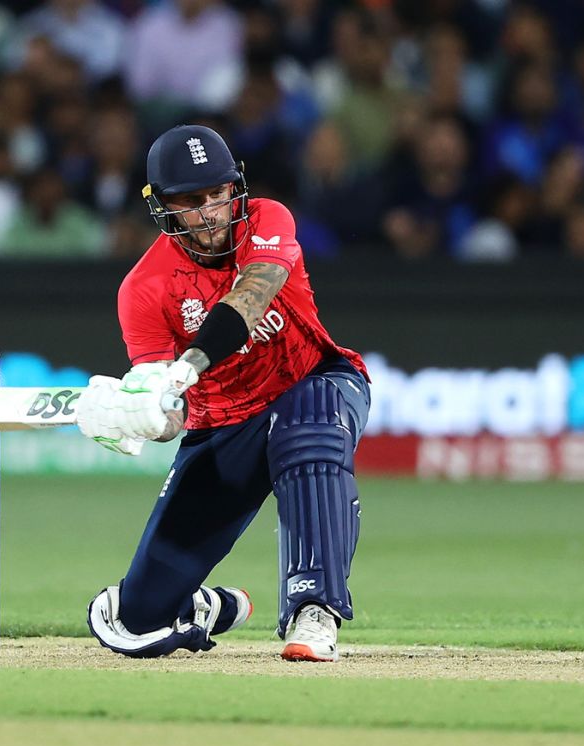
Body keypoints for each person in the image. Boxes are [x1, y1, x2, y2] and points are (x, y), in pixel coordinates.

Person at [77, 125, 370, 661]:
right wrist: (136, 414)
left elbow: (250, 296)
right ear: (162, 207)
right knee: (140, 613)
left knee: (310, 432)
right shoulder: (143, 290)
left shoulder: (267, 218)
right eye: (192, 201)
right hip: (222, 424)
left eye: (218, 194)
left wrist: (192, 361)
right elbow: (166, 410)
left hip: (312, 380)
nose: (212, 211)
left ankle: (314, 610)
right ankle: (205, 605)